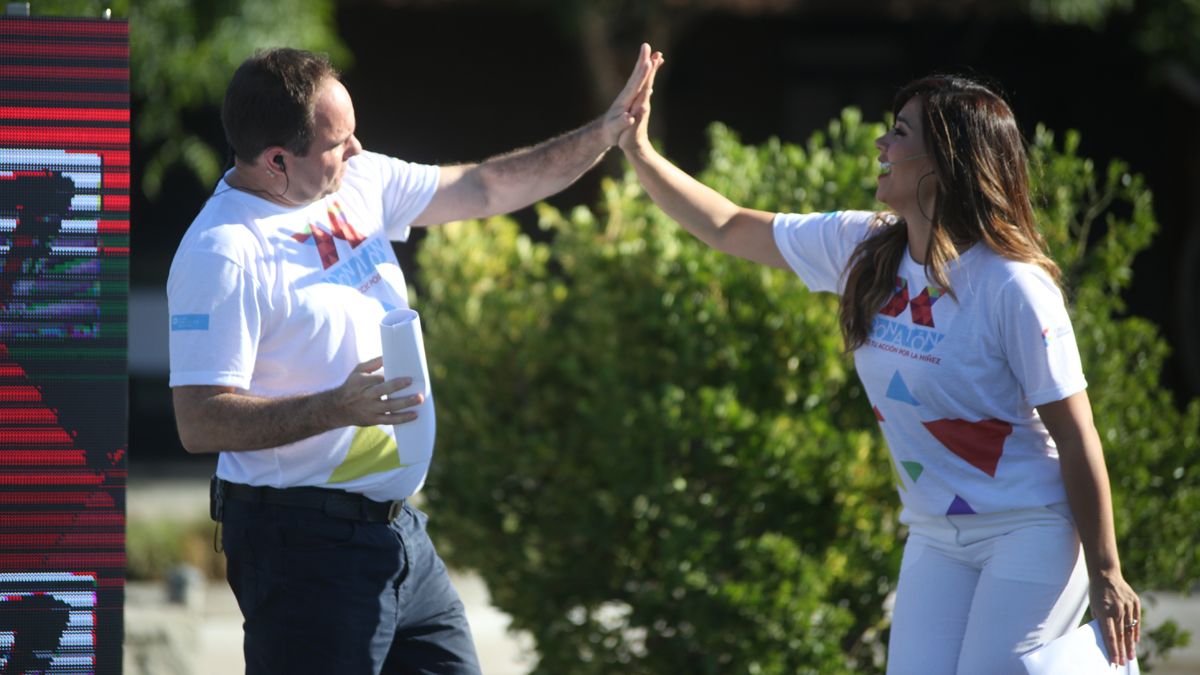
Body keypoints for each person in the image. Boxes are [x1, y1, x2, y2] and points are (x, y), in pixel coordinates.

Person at [617, 50, 1140, 673]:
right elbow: (729, 225)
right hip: (936, 533)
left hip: (1030, 528)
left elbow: (1077, 437)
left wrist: (1108, 571)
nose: (880, 144)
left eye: (898, 133)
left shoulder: (1014, 287)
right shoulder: (863, 247)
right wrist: (639, 151)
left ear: (945, 162)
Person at [167, 45, 656, 674]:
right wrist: (333, 408)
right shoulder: (224, 251)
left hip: (398, 534)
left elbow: (484, 185)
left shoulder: (356, 182)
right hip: (300, 547)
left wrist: (605, 132)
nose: (359, 151)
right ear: (276, 162)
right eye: (338, 143)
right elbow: (199, 420)